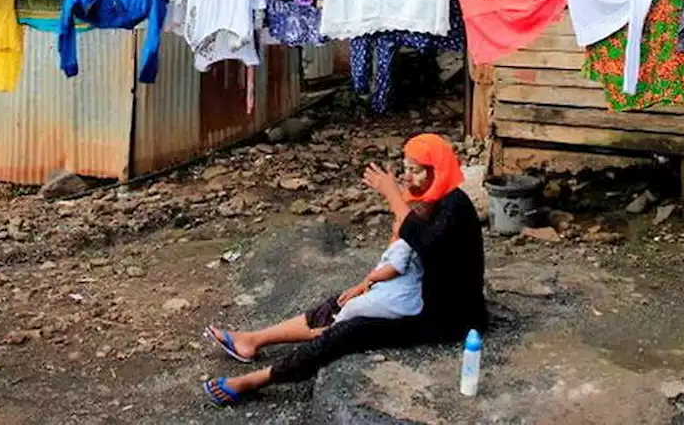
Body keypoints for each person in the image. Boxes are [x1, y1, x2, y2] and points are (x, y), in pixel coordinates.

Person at [202, 133, 487, 406]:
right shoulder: (434, 200)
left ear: (438, 171)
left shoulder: (455, 208)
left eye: (417, 171)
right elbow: (406, 251)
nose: (409, 178)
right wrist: (366, 282)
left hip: (444, 320)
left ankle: (253, 381)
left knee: (348, 333)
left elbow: (425, 242)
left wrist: (393, 197)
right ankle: (252, 340)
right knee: (340, 300)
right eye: (406, 169)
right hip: (417, 297)